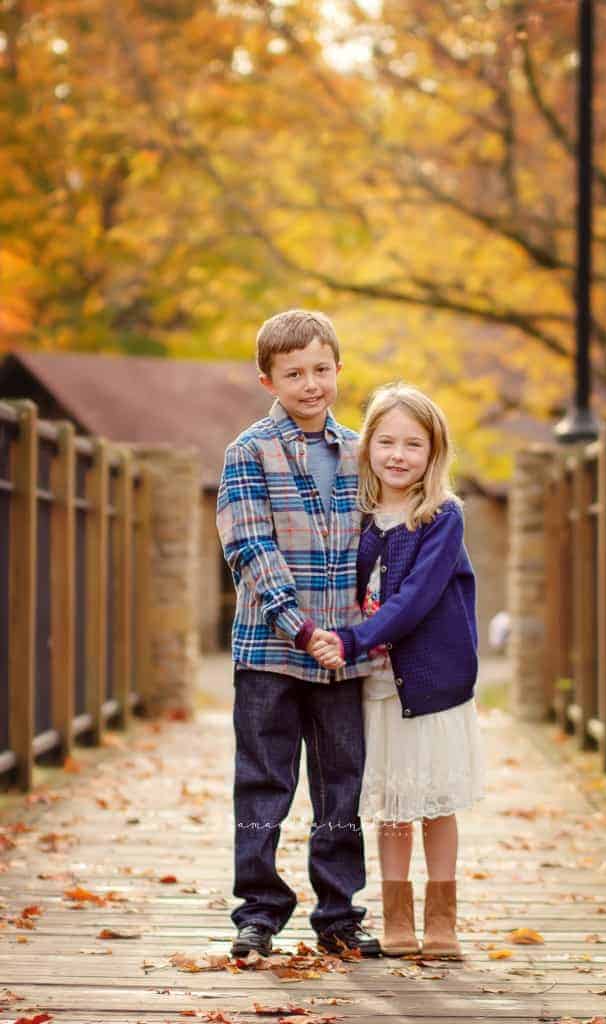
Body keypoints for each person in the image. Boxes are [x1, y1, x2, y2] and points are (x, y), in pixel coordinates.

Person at [216, 309, 380, 959]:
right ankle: (258, 909)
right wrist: (300, 626)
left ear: (338, 369)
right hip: (270, 651)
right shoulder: (246, 453)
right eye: (293, 373)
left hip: (343, 654)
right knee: (263, 781)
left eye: (320, 369)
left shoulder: (363, 450)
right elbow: (250, 548)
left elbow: (382, 544)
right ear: (267, 381)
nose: (310, 384)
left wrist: (363, 627)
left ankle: (338, 913)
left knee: (340, 784)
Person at [310, 384, 485, 959]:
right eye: (385, 441)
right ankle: (398, 919)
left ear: (434, 454)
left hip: (431, 686)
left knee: (434, 801)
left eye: (414, 444)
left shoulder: (442, 516)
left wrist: (351, 639)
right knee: (390, 805)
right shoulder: (356, 516)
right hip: (376, 688)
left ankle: (442, 922)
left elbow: (413, 599)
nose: (398, 455)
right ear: (367, 449)